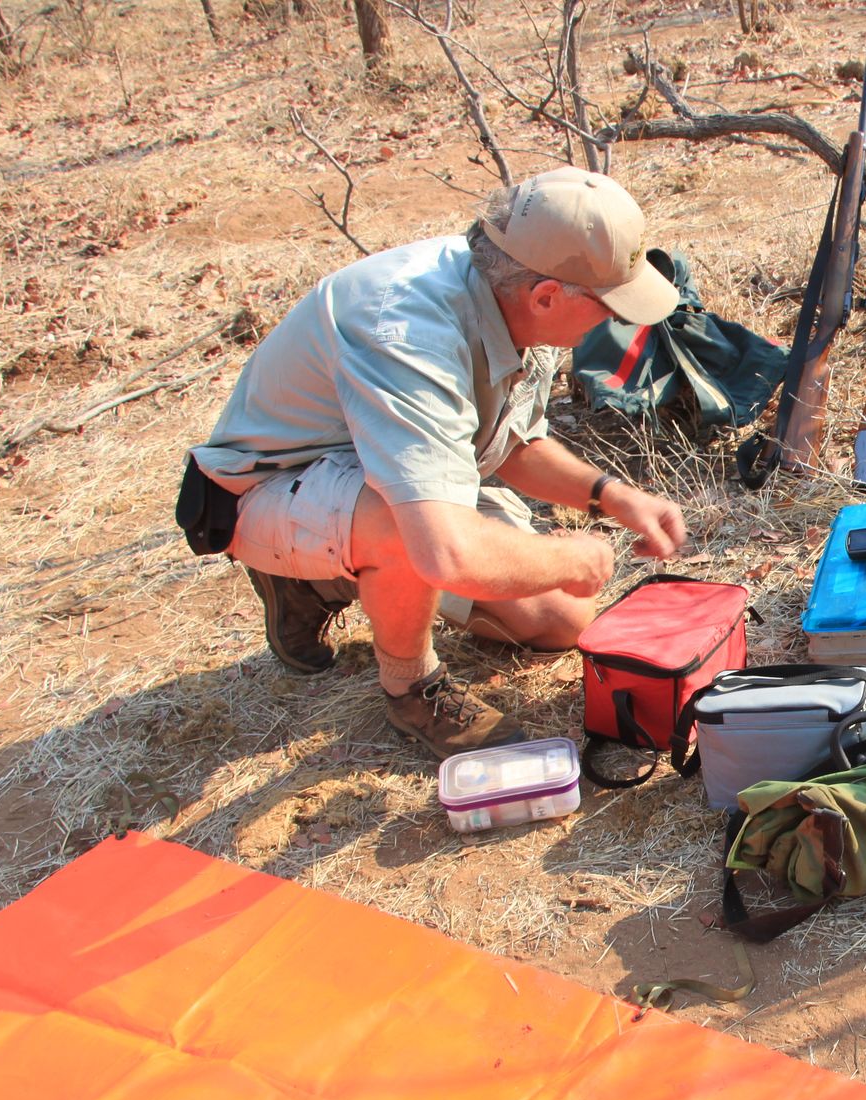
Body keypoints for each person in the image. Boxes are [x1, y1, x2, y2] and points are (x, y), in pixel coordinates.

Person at [184, 168, 688, 758]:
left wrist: (611, 495)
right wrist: (569, 554)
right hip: (267, 486)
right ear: (548, 295)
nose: (612, 321)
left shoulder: (513, 300)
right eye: (608, 305)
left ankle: (326, 580)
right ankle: (411, 687)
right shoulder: (409, 330)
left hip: (382, 471)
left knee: (563, 617)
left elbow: (514, 447)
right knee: (408, 532)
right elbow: (444, 552)